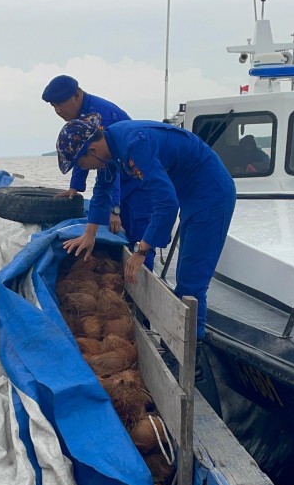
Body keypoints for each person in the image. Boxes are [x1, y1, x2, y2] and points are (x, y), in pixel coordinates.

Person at [57, 113, 236, 340]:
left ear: (92, 150)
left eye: (81, 164)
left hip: (210, 194)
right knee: (185, 274)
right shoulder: (111, 146)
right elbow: (102, 192)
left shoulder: (134, 145)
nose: (85, 168)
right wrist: (89, 235)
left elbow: (166, 203)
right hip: (188, 193)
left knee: (191, 280)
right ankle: (178, 338)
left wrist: (143, 249)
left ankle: (194, 355)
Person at [41, 75, 155, 267]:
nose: (58, 110)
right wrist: (75, 187)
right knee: (124, 232)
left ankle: (144, 279)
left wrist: (114, 208)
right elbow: (81, 157)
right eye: (53, 106)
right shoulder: (80, 119)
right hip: (117, 177)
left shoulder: (102, 115)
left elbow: (112, 163)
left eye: (61, 103)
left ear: (77, 95)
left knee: (139, 234)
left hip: (136, 180)